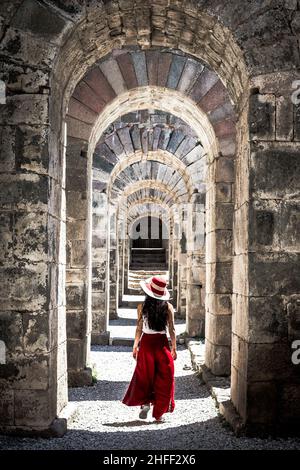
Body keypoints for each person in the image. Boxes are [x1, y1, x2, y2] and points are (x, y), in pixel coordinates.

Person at [122, 275, 177, 422]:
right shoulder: (168, 307)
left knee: (144, 375)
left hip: (146, 344)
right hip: (161, 344)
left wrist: (135, 346)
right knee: (165, 376)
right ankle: (158, 414)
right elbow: (171, 329)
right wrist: (174, 348)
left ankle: (145, 402)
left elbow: (139, 328)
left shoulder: (142, 307)